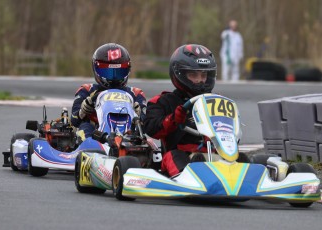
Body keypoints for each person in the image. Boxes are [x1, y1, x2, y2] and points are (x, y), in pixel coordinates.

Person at [143, 44, 217, 177]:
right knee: (174, 156)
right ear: (180, 74)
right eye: (193, 75)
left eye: (203, 75)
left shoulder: (215, 102)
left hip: (214, 156)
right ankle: (189, 179)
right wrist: (174, 120)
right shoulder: (163, 101)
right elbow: (151, 128)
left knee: (241, 159)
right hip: (181, 156)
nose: (200, 80)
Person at [71, 43, 147, 140]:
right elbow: (74, 120)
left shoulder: (136, 93)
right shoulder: (86, 90)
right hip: (96, 133)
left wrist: (139, 115)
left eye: (119, 72)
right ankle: (90, 150)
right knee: (85, 128)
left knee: (141, 137)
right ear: (96, 69)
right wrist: (83, 111)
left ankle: (133, 150)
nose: (114, 78)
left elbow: (147, 127)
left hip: (127, 135)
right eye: (108, 72)